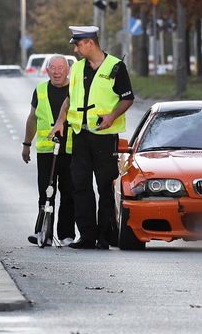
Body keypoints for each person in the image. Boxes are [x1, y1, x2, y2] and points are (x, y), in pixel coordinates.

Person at [52, 26, 134, 250]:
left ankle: (105, 236)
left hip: (104, 137)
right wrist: (60, 122)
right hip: (80, 135)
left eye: (78, 45)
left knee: (105, 186)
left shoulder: (115, 66)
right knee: (80, 186)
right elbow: (69, 99)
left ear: (90, 43)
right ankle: (87, 236)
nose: (76, 49)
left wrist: (112, 116)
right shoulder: (77, 68)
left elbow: (127, 98)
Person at [22, 54, 76, 245]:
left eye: (61, 68)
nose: (57, 71)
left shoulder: (76, 89)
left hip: (70, 150)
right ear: (47, 70)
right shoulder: (41, 89)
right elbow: (32, 118)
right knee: (45, 193)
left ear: (68, 70)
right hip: (46, 150)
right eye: (53, 68)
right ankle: (41, 232)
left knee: (69, 193)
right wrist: (26, 144)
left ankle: (66, 235)